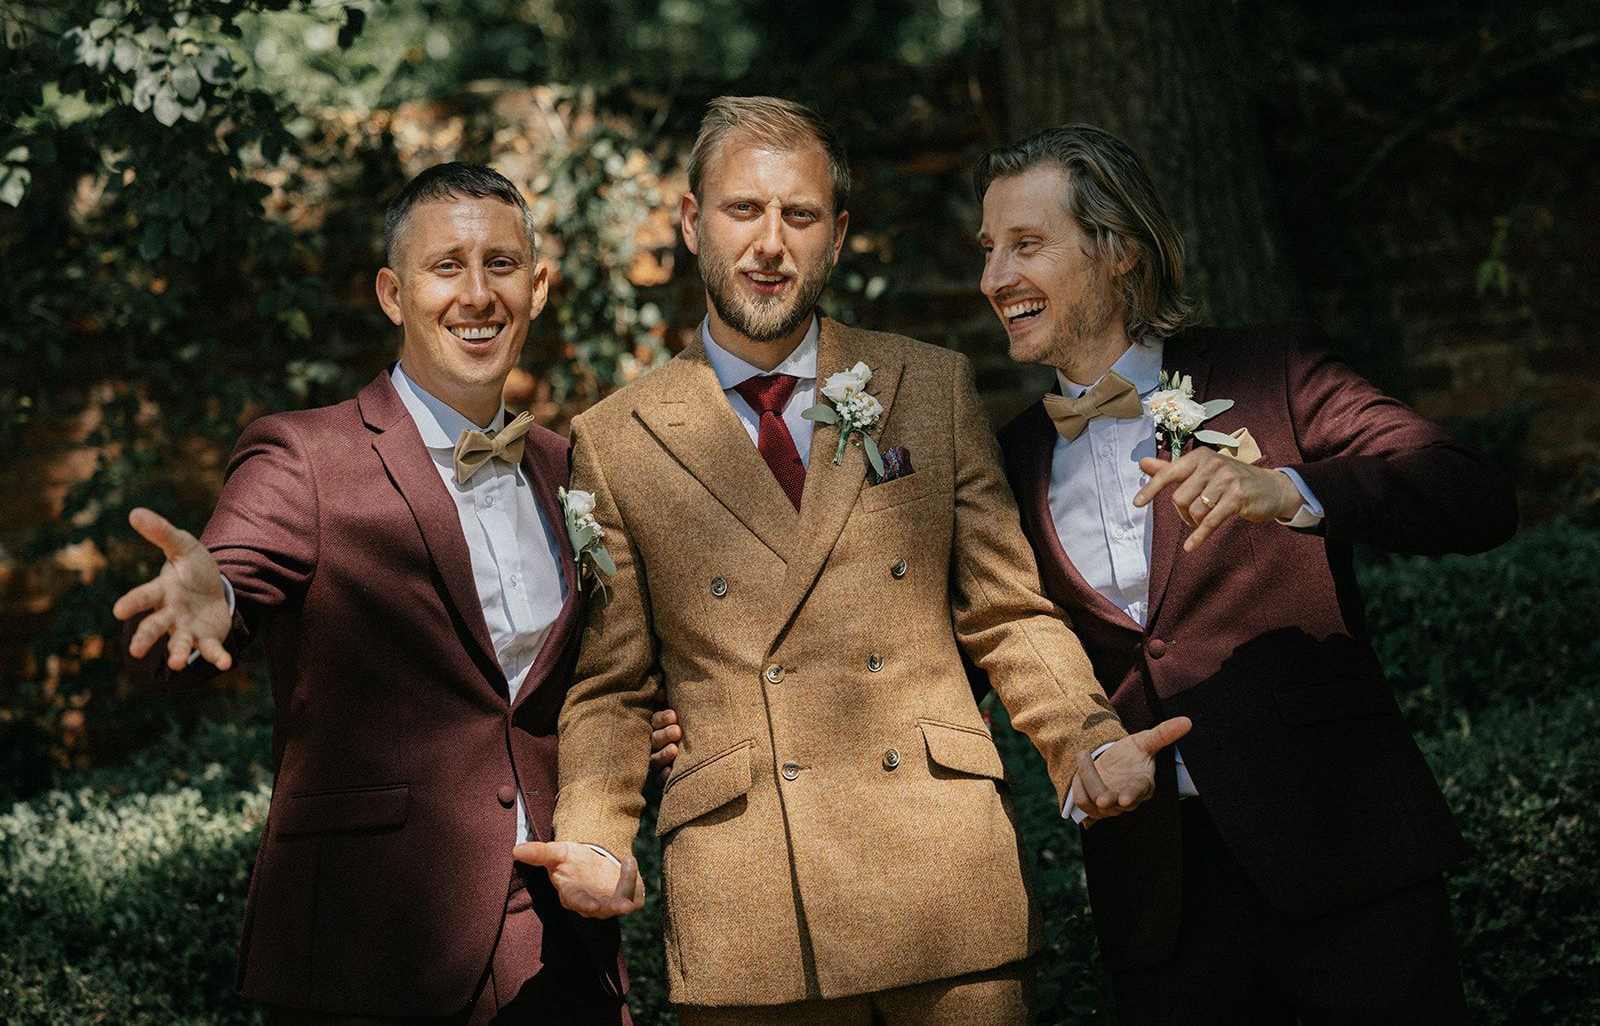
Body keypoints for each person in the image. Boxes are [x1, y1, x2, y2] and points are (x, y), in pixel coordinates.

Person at [511, 95, 1191, 1026]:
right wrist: (595, 833)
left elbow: (1007, 611)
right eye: (743, 210)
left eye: (799, 215)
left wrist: (1087, 739)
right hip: (750, 903)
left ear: (835, 236)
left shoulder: (930, 383)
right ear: (691, 222)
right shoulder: (617, 437)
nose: (770, 244)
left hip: (945, 881)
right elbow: (613, 685)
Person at [978, 123, 1518, 1023]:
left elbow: (1471, 493)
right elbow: (981, 647)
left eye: (1026, 244)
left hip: (1345, 862)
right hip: (1159, 909)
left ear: (1119, 250)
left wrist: (1291, 489)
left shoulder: (1274, 370)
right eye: (988, 250)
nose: (995, 277)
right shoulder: (1005, 460)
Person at [113, 163, 634, 1023]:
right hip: (371, 950)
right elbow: (221, 588)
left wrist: (645, 743)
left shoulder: (566, 466)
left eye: (502, 265)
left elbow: (588, 686)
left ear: (537, 288)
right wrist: (215, 602)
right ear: (393, 293)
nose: (478, 294)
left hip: (560, 946)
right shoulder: (303, 457)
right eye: (446, 266)